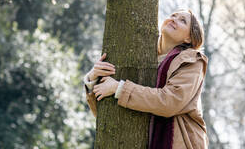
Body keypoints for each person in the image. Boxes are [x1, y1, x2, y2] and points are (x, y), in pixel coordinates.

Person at [84, 9, 208, 149]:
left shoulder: (192, 61)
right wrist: (93, 79)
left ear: (189, 38)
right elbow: (105, 116)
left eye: (182, 20)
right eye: (173, 16)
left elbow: (170, 102)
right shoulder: (140, 55)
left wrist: (119, 88)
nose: (174, 19)